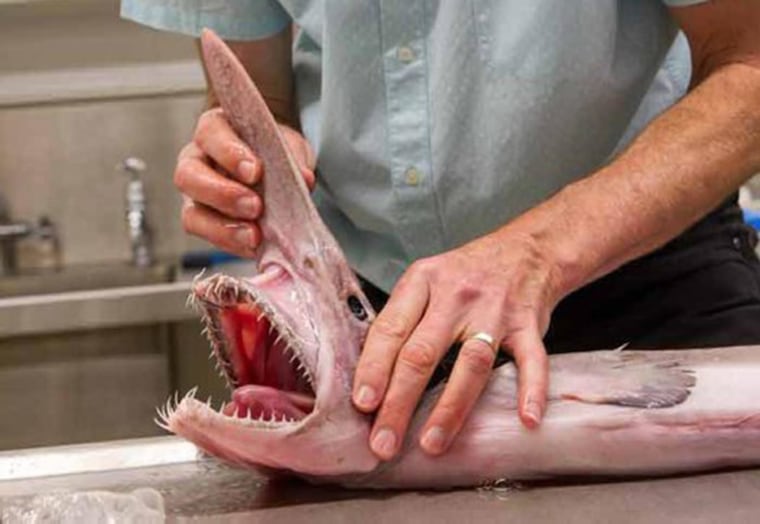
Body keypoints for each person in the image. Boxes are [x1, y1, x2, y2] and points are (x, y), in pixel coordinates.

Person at [122, 1, 760, 462]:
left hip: (648, 286)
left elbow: (749, 64)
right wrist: (246, 158)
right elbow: (258, 94)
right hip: (376, 331)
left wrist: (540, 250)